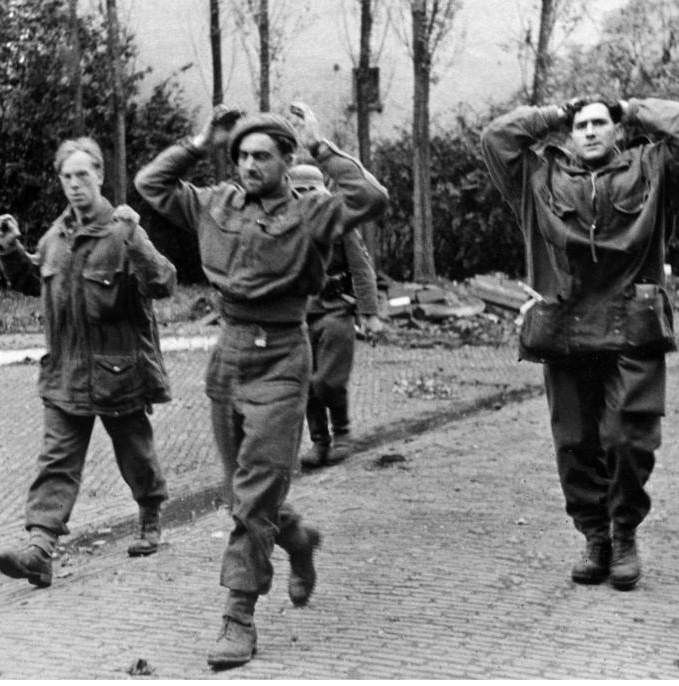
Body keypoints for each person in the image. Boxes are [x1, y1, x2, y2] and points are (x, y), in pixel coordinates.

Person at [135, 103, 388, 667]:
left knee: (253, 497)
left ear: (286, 160)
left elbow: (373, 200)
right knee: (240, 495)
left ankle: (238, 617)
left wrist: (323, 147)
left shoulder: (313, 213)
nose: (249, 165)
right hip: (227, 358)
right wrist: (200, 141)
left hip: (281, 358)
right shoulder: (214, 202)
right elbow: (150, 183)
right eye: (242, 155)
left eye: (262, 156)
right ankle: (297, 539)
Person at [481, 96, 679, 590]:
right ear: (570, 131)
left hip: (634, 323)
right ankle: (595, 536)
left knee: (630, 438)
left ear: (616, 131)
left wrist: (632, 107)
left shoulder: (652, 169)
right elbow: (496, 139)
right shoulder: (538, 178)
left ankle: (624, 531)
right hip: (564, 326)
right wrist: (553, 114)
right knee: (574, 442)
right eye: (580, 124)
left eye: (599, 123)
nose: (588, 131)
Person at [0, 137, 177, 588]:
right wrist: (11, 250)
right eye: (66, 177)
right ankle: (40, 548)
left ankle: (150, 515)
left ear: (99, 176)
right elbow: (35, 278)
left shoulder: (121, 229)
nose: (74, 185)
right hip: (65, 371)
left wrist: (136, 241)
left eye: (83, 175)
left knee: (135, 452)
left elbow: (164, 282)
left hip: (118, 370)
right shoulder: (54, 238)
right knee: (56, 460)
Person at [288, 163, 384, 469]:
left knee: (328, 381)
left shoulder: (341, 223)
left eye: (310, 190)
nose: (304, 197)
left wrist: (369, 313)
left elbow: (361, 267)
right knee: (306, 382)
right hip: (300, 314)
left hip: (336, 309)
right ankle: (319, 441)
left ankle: (342, 432)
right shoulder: (284, 224)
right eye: (297, 191)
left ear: (323, 192)